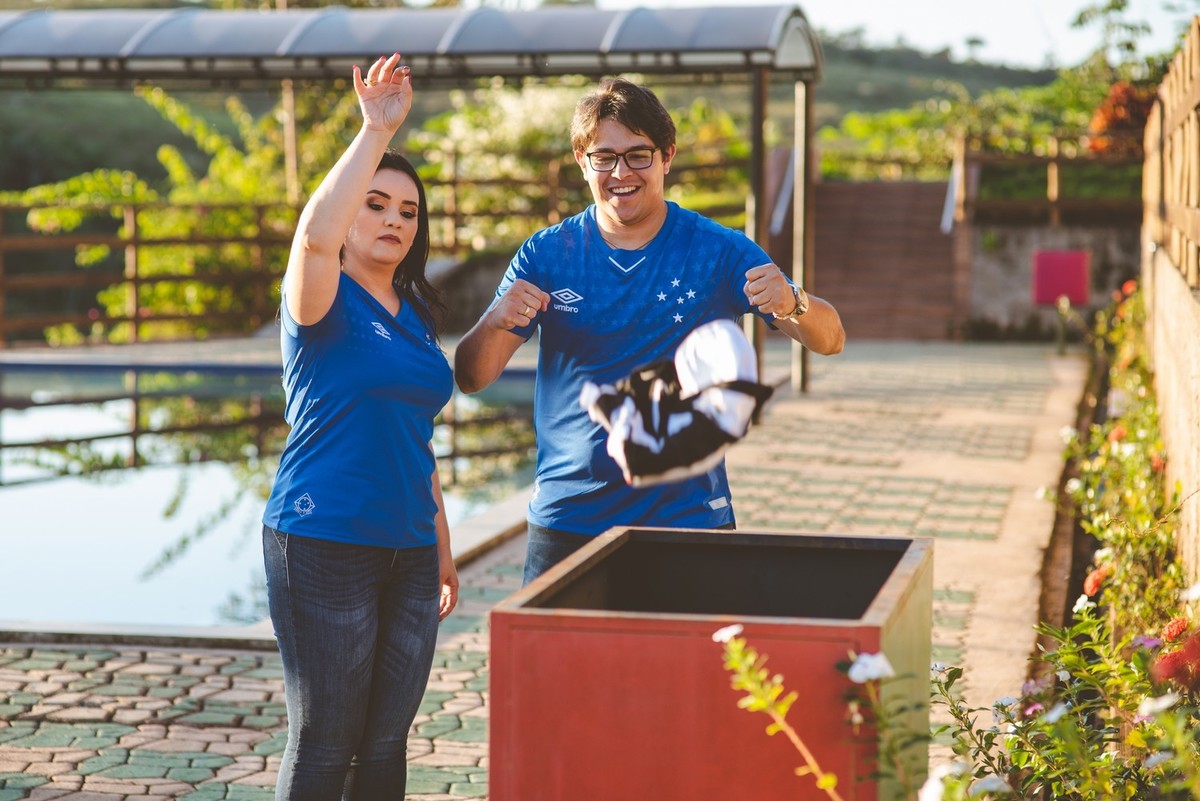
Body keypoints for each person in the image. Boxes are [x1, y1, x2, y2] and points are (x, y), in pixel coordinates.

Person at [454, 77, 845, 584]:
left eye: (639, 155)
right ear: (582, 160)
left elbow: (831, 338)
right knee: (557, 665)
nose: (621, 172)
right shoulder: (546, 255)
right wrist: (495, 320)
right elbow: (472, 378)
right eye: (604, 157)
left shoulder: (718, 250)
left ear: (667, 158)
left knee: (691, 666)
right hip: (568, 520)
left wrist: (795, 303)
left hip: (688, 522)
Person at [260, 53, 458, 801]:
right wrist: (375, 132)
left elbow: (415, 436)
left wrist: (439, 546)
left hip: (408, 550)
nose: (394, 220)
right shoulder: (320, 299)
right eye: (375, 204)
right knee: (324, 740)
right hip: (322, 541)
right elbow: (313, 237)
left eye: (408, 211)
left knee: (383, 743)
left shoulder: (416, 316)